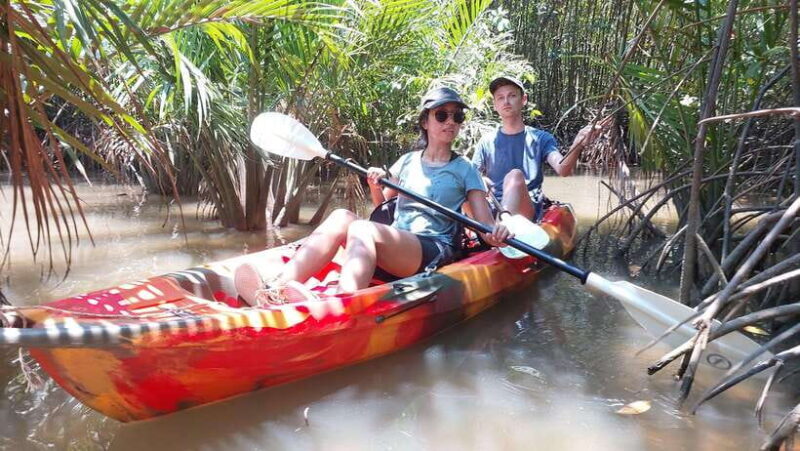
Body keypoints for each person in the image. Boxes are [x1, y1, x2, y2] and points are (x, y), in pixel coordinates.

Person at [235, 87, 510, 306]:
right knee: (342, 216)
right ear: (425, 121)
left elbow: (484, 226)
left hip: (435, 249)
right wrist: (375, 185)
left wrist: (496, 231)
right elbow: (383, 209)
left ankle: (340, 303)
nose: (450, 121)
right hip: (400, 243)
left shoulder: (465, 170)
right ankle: (276, 288)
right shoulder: (407, 162)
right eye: (442, 115)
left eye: (457, 116)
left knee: (361, 229)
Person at [472, 75, 604, 220]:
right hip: (493, 206)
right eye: (500, 98)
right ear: (495, 105)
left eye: (512, 96)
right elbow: (471, 178)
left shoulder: (541, 138)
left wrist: (578, 144)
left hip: (526, 209)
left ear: (523, 100)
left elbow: (563, 169)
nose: (506, 101)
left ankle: (503, 227)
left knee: (515, 177)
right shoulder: (486, 141)